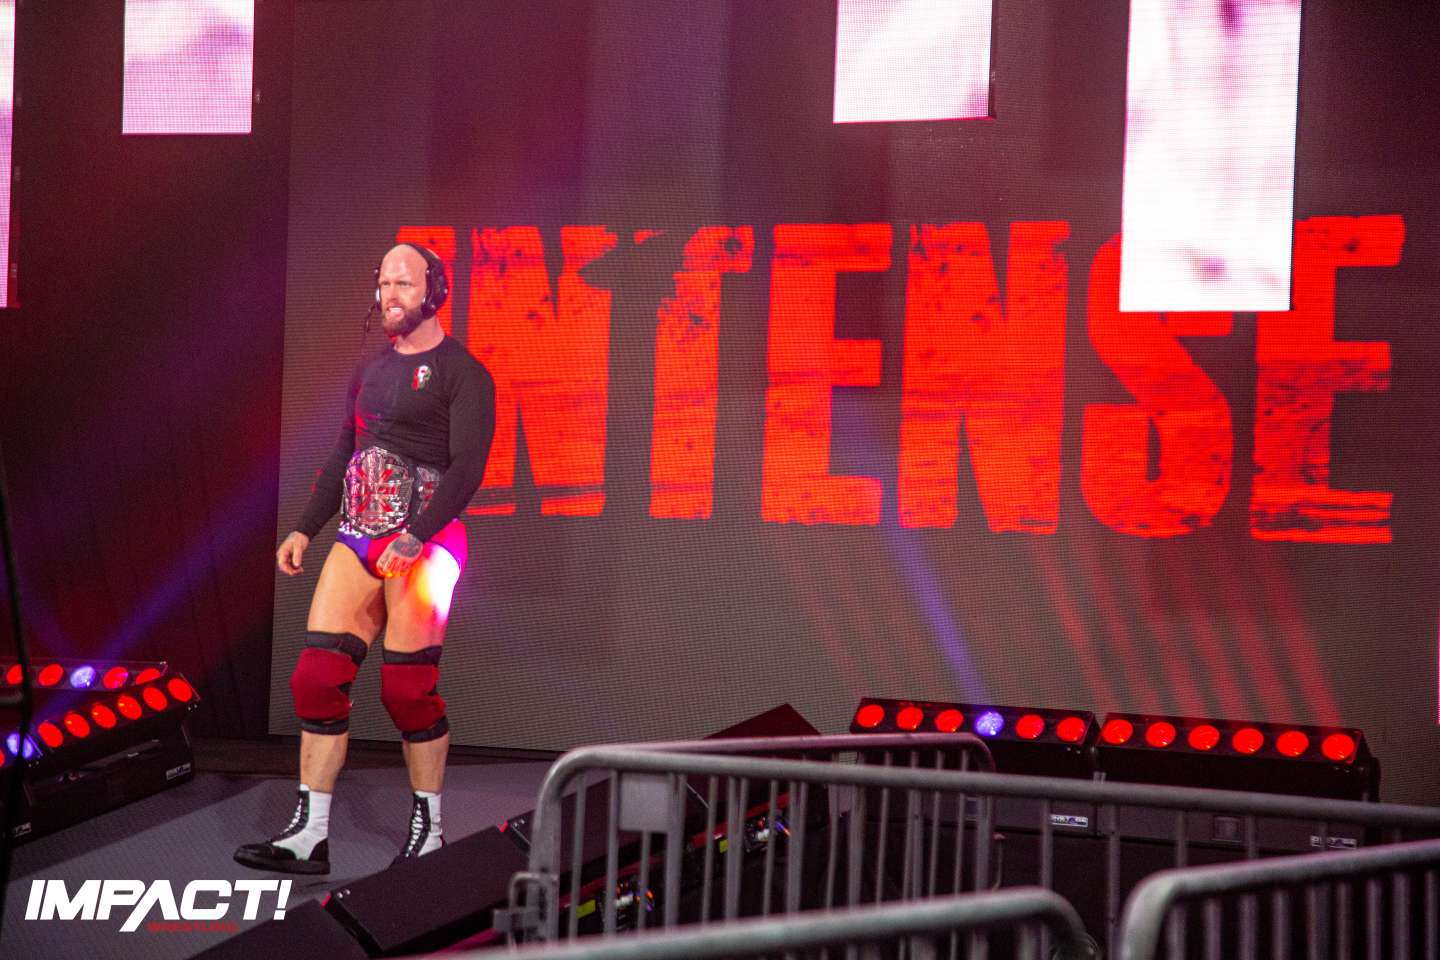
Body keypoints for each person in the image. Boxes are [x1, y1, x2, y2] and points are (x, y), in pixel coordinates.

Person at [235, 243, 496, 875]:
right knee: (315, 679)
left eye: (403, 284)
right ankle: (309, 836)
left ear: (435, 290)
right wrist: (305, 528)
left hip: (428, 541)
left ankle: (429, 835)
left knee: (407, 689)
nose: (389, 296)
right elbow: (343, 455)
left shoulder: (464, 374)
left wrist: (418, 534)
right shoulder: (370, 369)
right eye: (383, 284)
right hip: (358, 536)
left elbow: (467, 469)